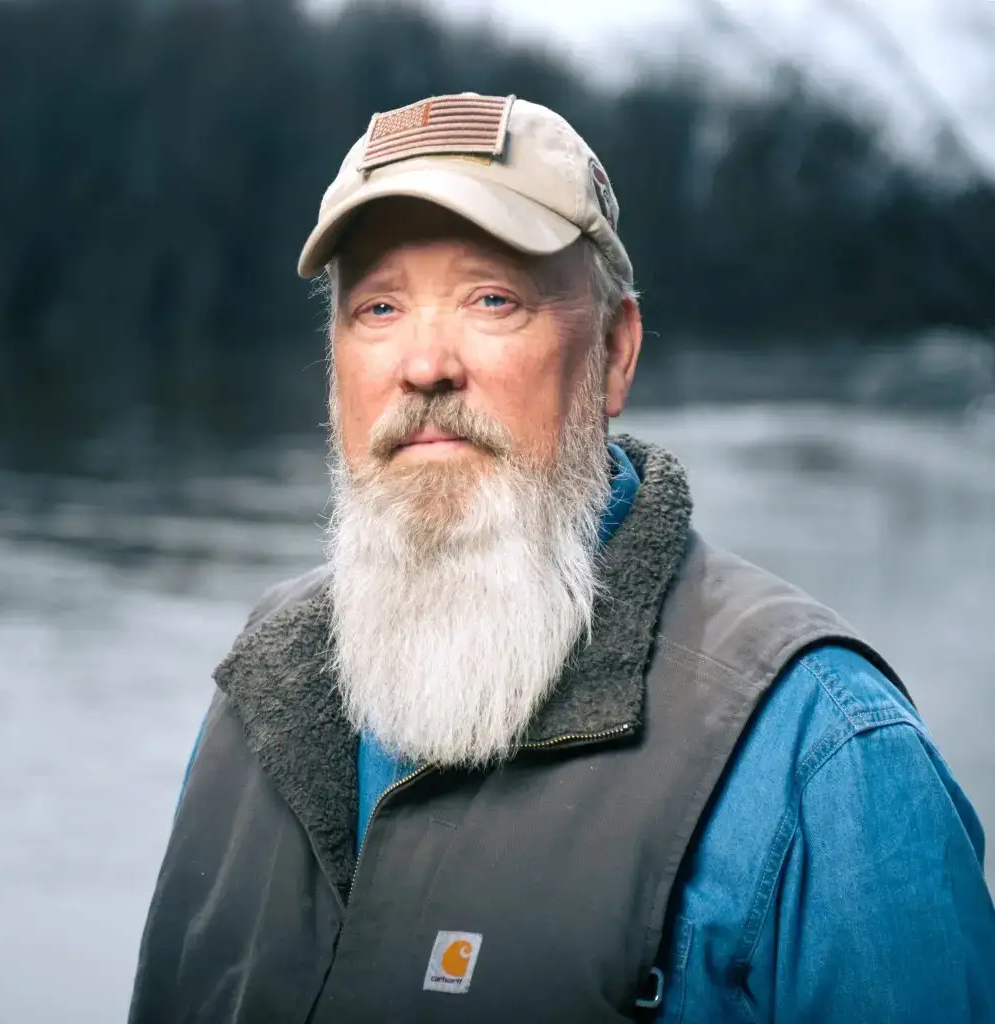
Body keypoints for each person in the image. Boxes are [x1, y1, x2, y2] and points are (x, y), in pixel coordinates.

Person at [128, 93, 995, 1024]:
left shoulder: (825, 753)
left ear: (615, 352)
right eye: (378, 307)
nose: (424, 364)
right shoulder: (262, 685)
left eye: (492, 300)